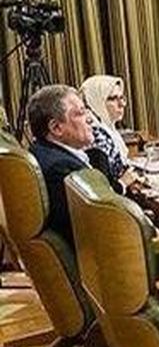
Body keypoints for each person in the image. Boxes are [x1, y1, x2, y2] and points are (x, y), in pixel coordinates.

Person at [26, 85, 96, 243]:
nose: (90, 119)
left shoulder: (40, 151)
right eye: (80, 113)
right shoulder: (62, 170)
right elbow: (98, 226)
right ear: (56, 128)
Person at [80, 74, 136, 188]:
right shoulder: (96, 135)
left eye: (122, 98)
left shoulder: (107, 128)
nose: (122, 104)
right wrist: (124, 183)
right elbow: (105, 188)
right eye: (113, 99)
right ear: (95, 100)